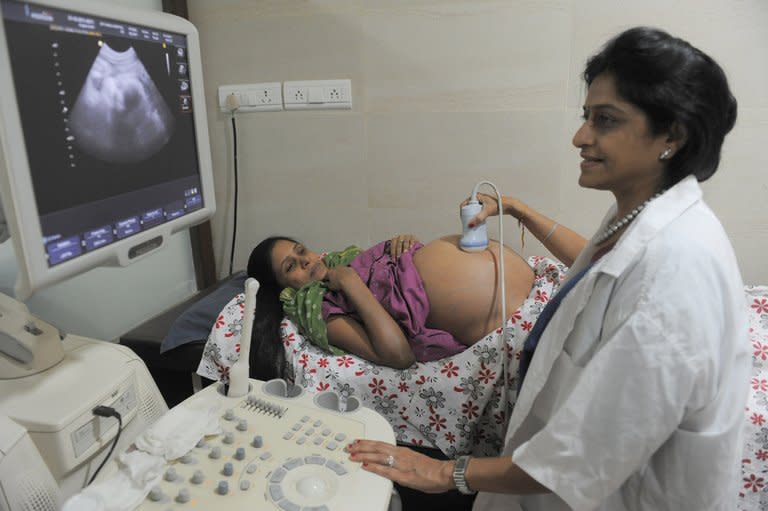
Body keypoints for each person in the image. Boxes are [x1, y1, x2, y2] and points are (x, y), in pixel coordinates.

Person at [346, 26, 750, 510]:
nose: (580, 137)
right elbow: (600, 267)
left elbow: (584, 457)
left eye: (605, 120)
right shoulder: (644, 217)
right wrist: (518, 210)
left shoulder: (677, 273)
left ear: (672, 135)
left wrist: (443, 470)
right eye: (586, 117)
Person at [245, 233, 536, 377]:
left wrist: (403, 244)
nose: (306, 260)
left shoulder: (341, 260)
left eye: (301, 250)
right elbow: (399, 355)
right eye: (290, 266)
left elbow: (390, 272)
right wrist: (349, 282)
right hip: (504, 313)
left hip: (526, 290)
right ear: (282, 289)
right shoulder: (318, 309)